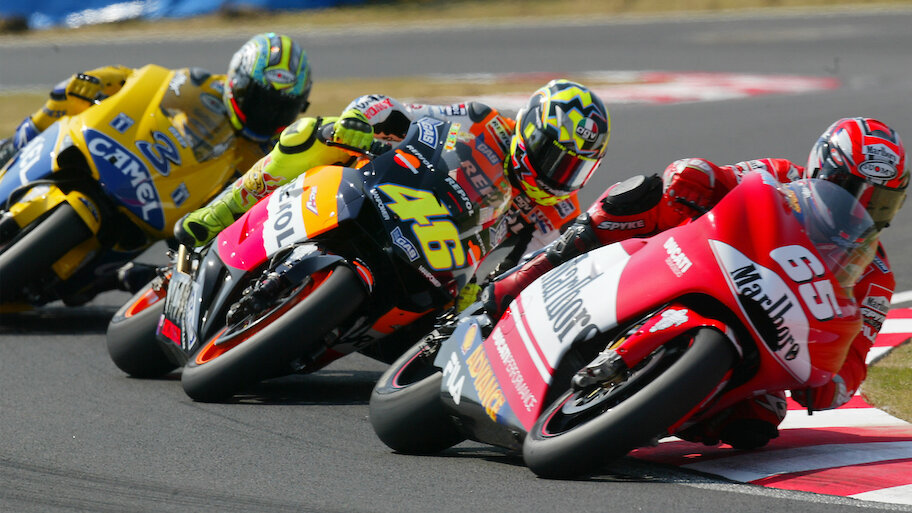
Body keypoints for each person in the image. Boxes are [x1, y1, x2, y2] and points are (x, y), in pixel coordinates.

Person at [480, 116, 908, 449]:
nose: (863, 210)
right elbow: (720, 177)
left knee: (757, 421)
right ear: (822, 170)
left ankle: (647, 410)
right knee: (642, 195)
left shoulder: (875, 274)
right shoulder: (781, 175)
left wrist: (833, 383)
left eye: (881, 202)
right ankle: (528, 274)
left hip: (768, 332)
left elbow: (855, 354)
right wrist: (696, 174)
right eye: (852, 190)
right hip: (698, 260)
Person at [174, 79, 612, 313]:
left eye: (575, 168)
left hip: (444, 268)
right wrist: (359, 120)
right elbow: (398, 110)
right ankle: (217, 215)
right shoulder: (483, 120)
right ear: (530, 130)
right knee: (312, 134)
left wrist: (484, 296)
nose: (559, 175)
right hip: (396, 195)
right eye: (555, 157)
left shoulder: (559, 212)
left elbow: (526, 272)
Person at [0, 32, 313, 293]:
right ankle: (10, 150)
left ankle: (114, 279)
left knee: (134, 278)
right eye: (260, 100)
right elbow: (141, 82)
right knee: (63, 99)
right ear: (238, 82)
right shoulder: (201, 86)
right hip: (133, 161)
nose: (267, 114)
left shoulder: (270, 153)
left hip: (166, 211)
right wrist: (97, 82)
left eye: (281, 107)